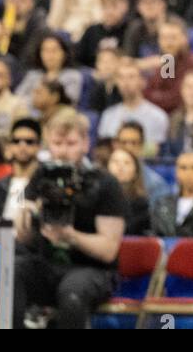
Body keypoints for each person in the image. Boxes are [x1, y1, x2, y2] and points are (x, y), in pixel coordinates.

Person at [12, 113, 126, 329]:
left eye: (71, 143)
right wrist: (26, 217)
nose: (63, 151)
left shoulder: (104, 183)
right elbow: (22, 237)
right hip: (46, 264)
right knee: (11, 273)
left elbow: (109, 250)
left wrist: (70, 236)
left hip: (92, 268)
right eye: (57, 143)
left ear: (85, 143)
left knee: (71, 290)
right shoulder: (41, 176)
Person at [0, 118, 42, 220]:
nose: (22, 146)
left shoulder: (46, 188)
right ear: (9, 146)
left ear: (39, 146)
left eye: (29, 142)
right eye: (16, 141)